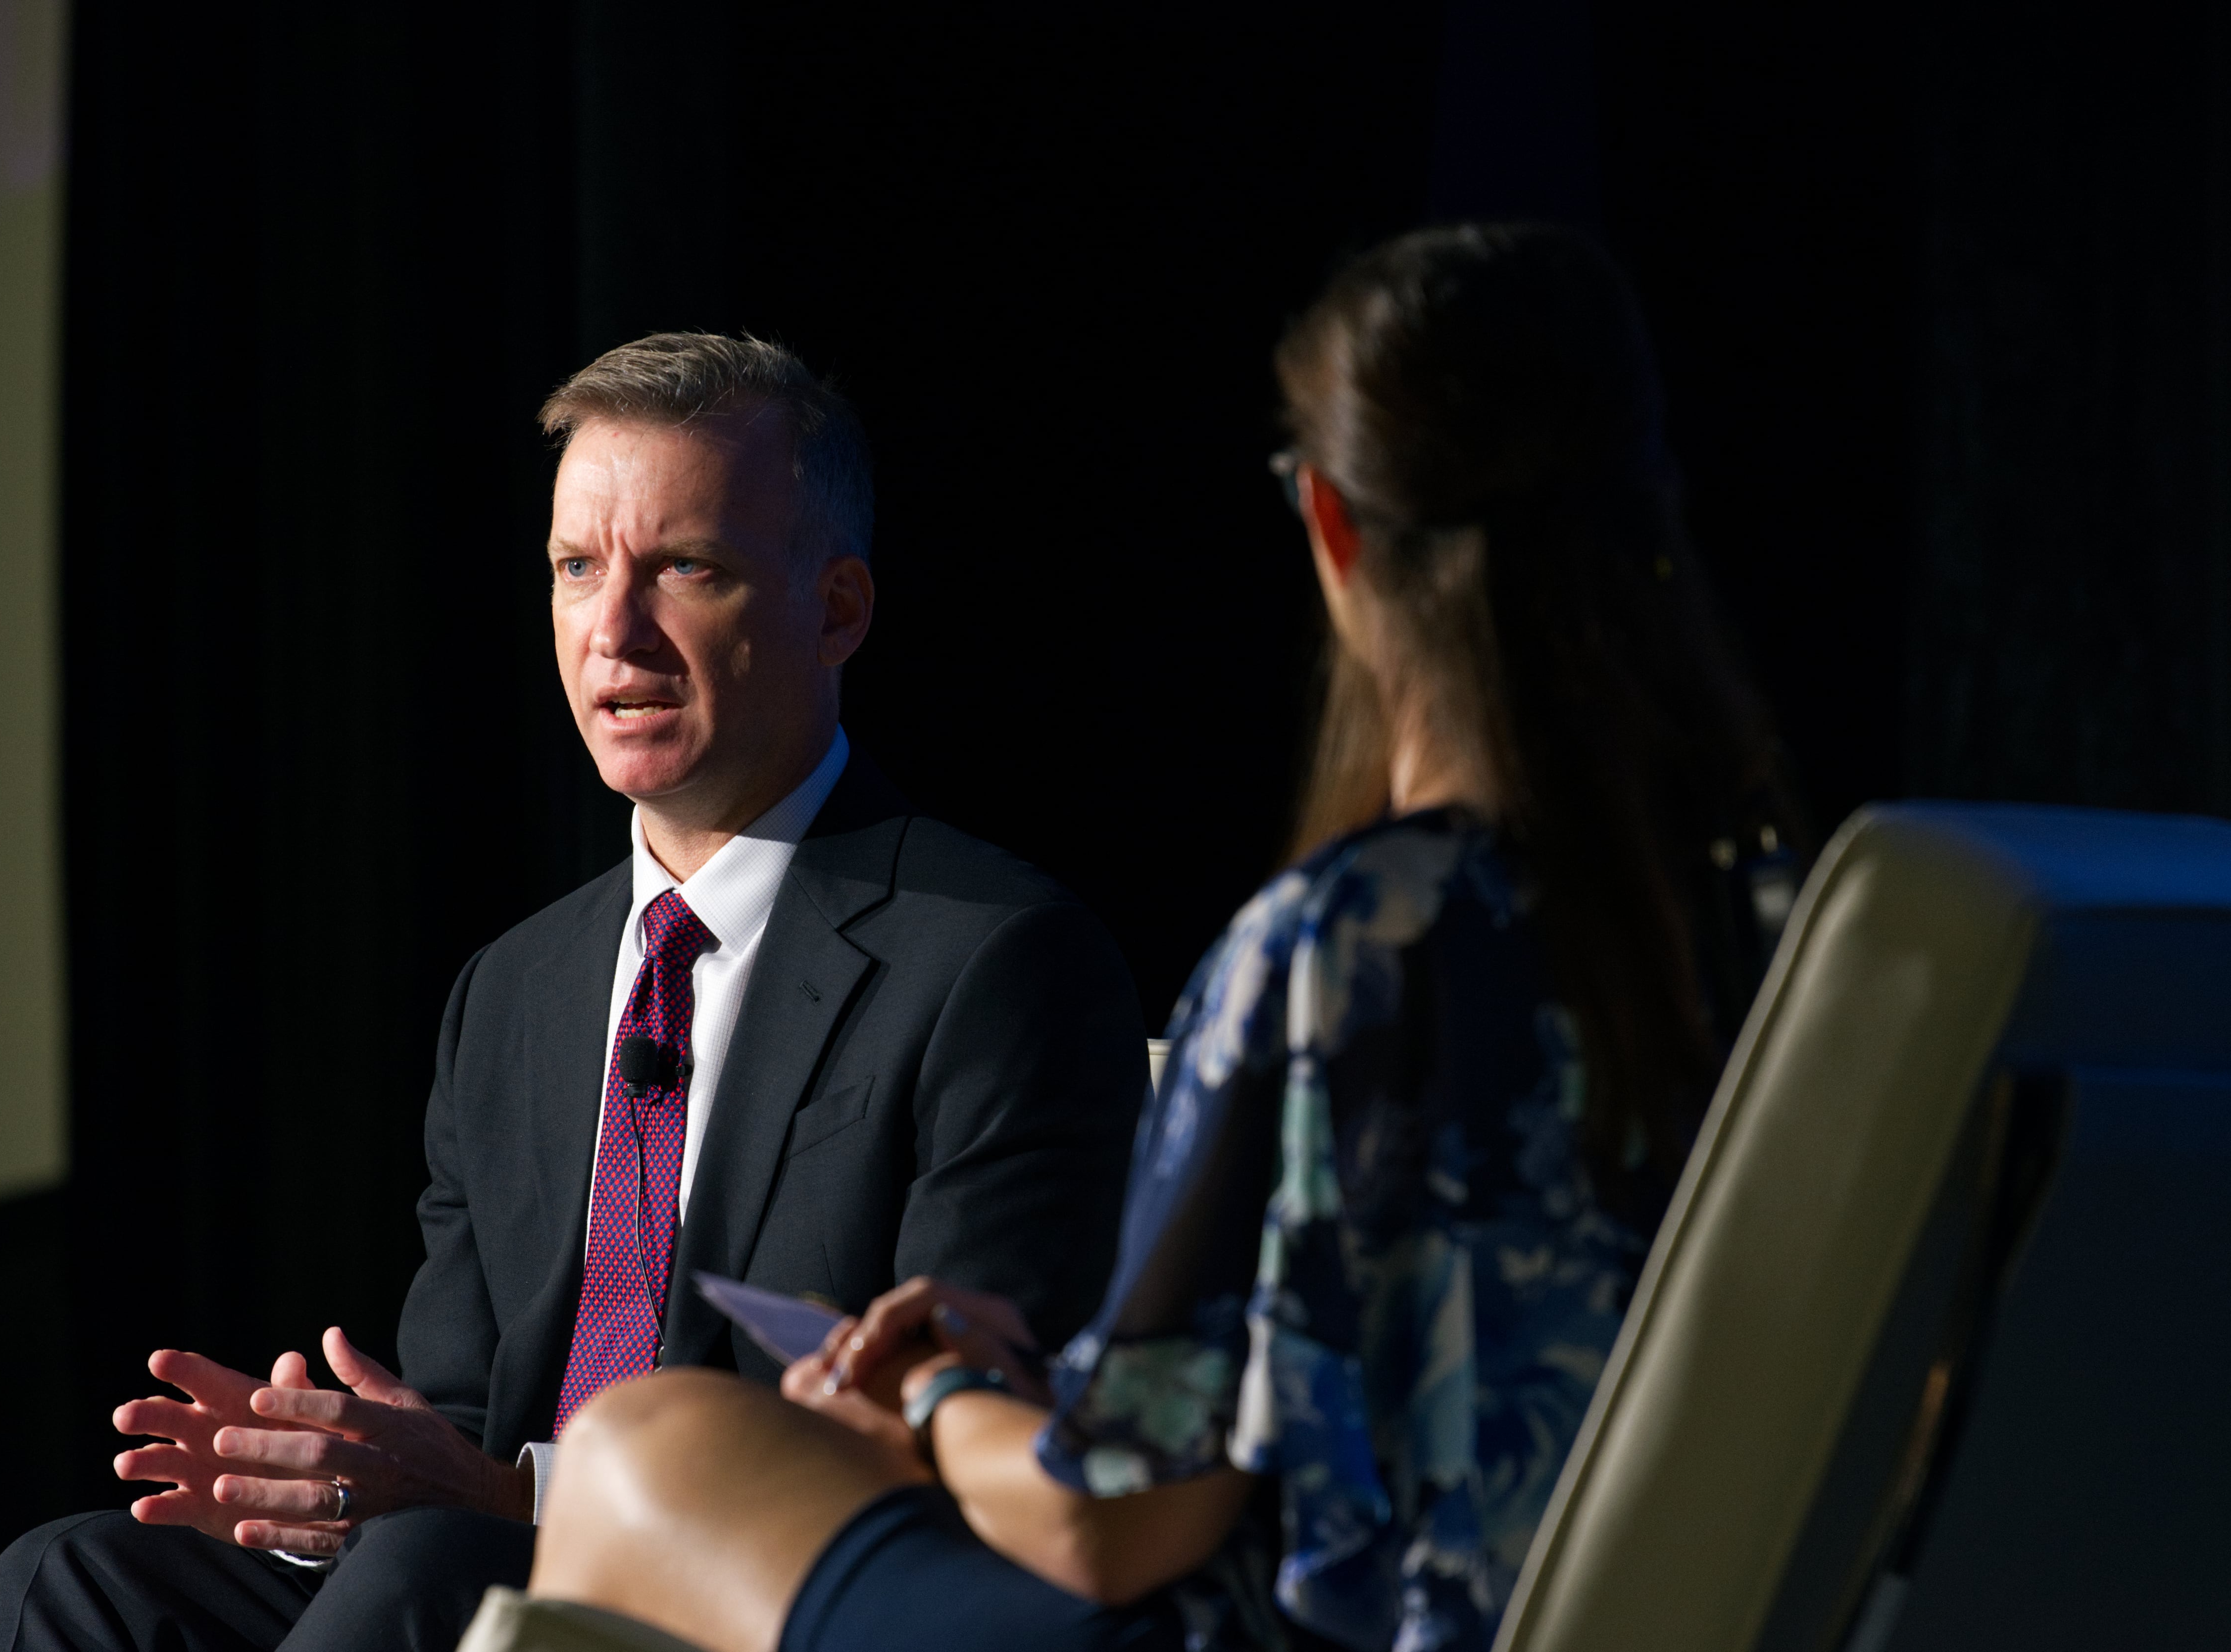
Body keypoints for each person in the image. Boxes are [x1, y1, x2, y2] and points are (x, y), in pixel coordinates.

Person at [504, 224, 1802, 1652]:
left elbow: (1113, 1512)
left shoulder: (1347, 940)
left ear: (1333, 526)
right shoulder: (1763, 926)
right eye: (574, 565)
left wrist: (934, 1391)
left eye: (686, 566)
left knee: (649, 1451)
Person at [0, 335, 1151, 1652]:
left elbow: (953, 1436)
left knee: (430, 1567)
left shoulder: (993, 959)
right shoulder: (514, 993)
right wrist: (337, 1472)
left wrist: (494, 1494)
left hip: (770, 1600)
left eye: (685, 569)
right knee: (66, 1580)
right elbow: (466, 1421)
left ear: (839, 609)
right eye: (577, 568)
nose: (614, 631)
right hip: (475, 1568)